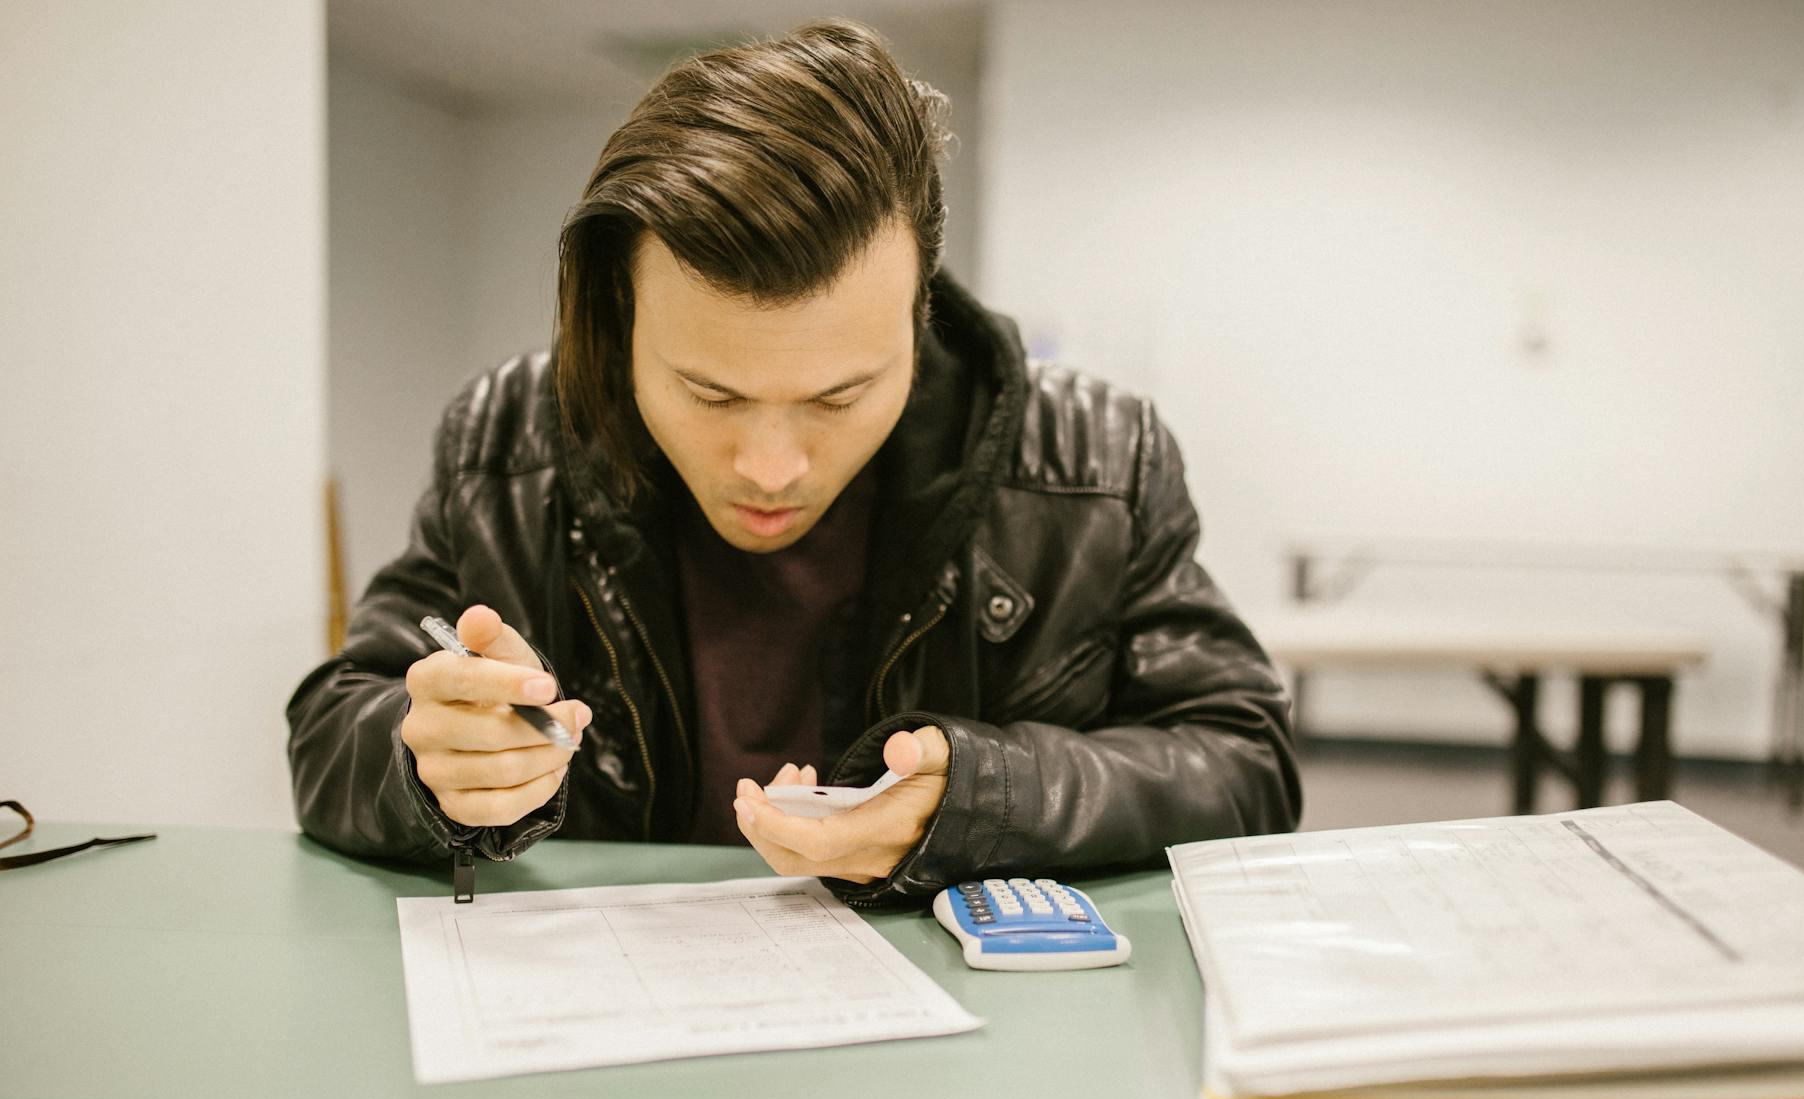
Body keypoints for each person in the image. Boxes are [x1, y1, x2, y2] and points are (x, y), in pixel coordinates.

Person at [288, 19, 1302, 905]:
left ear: (919, 319)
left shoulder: (1095, 457)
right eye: (710, 394)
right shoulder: (504, 439)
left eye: (838, 397)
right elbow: (338, 722)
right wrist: (426, 759)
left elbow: (1241, 758)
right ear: (617, 321)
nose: (769, 467)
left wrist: (984, 803)